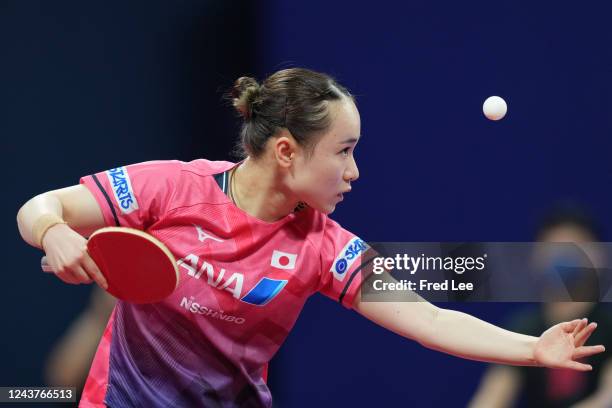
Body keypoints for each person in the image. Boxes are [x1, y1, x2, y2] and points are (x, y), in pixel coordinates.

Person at [17, 68, 605, 408]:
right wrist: (54, 233)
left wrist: (532, 349)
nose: (355, 172)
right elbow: (39, 206)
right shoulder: (174, 187)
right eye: (344, 153)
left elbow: (428, 319)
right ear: (285, 152)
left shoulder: (322, 246)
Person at [470, 205, 612, 408]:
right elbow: (492, 397)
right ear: (536, 256)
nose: (564, 255)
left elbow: (608, 398)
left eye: (575, 245)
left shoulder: (608, 326)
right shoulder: (523, 327)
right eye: (554, 245)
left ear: (599, 256)